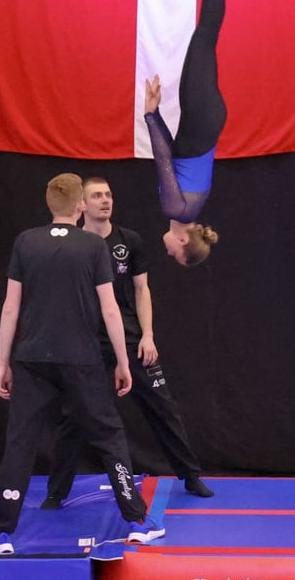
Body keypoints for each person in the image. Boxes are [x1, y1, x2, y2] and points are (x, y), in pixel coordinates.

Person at [0, 173, 166, 555]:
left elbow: (10, 307)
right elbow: (110, 309)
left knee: (21, 441)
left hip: (31, 358)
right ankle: (136, 520)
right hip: (81, 358)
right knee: (110, 436)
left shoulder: (26, 242)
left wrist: (2, 362)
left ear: (50, 204)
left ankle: (2, 533)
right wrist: (123, 362)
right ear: (80, 205)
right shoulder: (92, 246)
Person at [42, 177, 213, 507]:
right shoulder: (71, 244)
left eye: (108, 194)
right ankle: (56, 492)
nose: (105, 200)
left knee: (163, 408)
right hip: (87, 344)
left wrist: (147, 334)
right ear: (82, 204)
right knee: (74, 416)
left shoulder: (128, 241)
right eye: (96, 196)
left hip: (130, 340)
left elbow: (141, 290)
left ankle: (190, 475)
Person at [144, 0, 229, 266]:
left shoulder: (189, 206)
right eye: (174, 253)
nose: (167, 250)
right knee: (204, 38)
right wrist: (150, 116)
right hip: (202, 117)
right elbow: (163, 157)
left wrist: (157, 113)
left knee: (204, 40)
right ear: (183, 240)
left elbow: (173, 152)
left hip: (205, 122)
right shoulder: (175, 207)